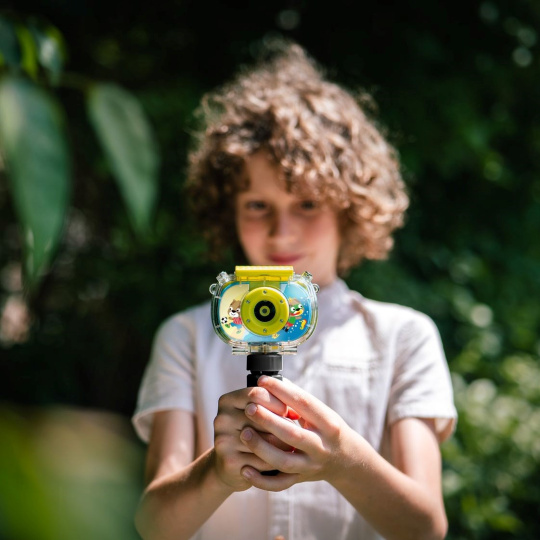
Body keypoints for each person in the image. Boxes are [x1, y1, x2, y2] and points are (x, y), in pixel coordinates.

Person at [132, 39, 457, 540]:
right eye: (257, 206)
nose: (282, 233)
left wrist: (344, 459)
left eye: (307, 204)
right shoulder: (186, 337)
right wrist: (216, 472)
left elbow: (425, 527)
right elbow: (154, 524)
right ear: (228, 210)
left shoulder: (403, 337)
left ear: (349, 207)